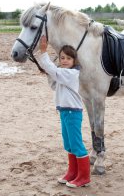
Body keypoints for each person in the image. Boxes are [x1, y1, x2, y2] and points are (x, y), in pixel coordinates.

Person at [38, 35, 90, 188]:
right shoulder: (62, 73)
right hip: (64, 112)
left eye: (68, 58)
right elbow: (54, 84)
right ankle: (73, 173)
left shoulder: (72, 74)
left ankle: (84, 177)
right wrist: (49, 72)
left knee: (76, 144)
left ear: (74, 61)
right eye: (62, 58)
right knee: (68, 144)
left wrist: (43, 53)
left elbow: (56, 73)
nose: (65, 60)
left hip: (73, 113)